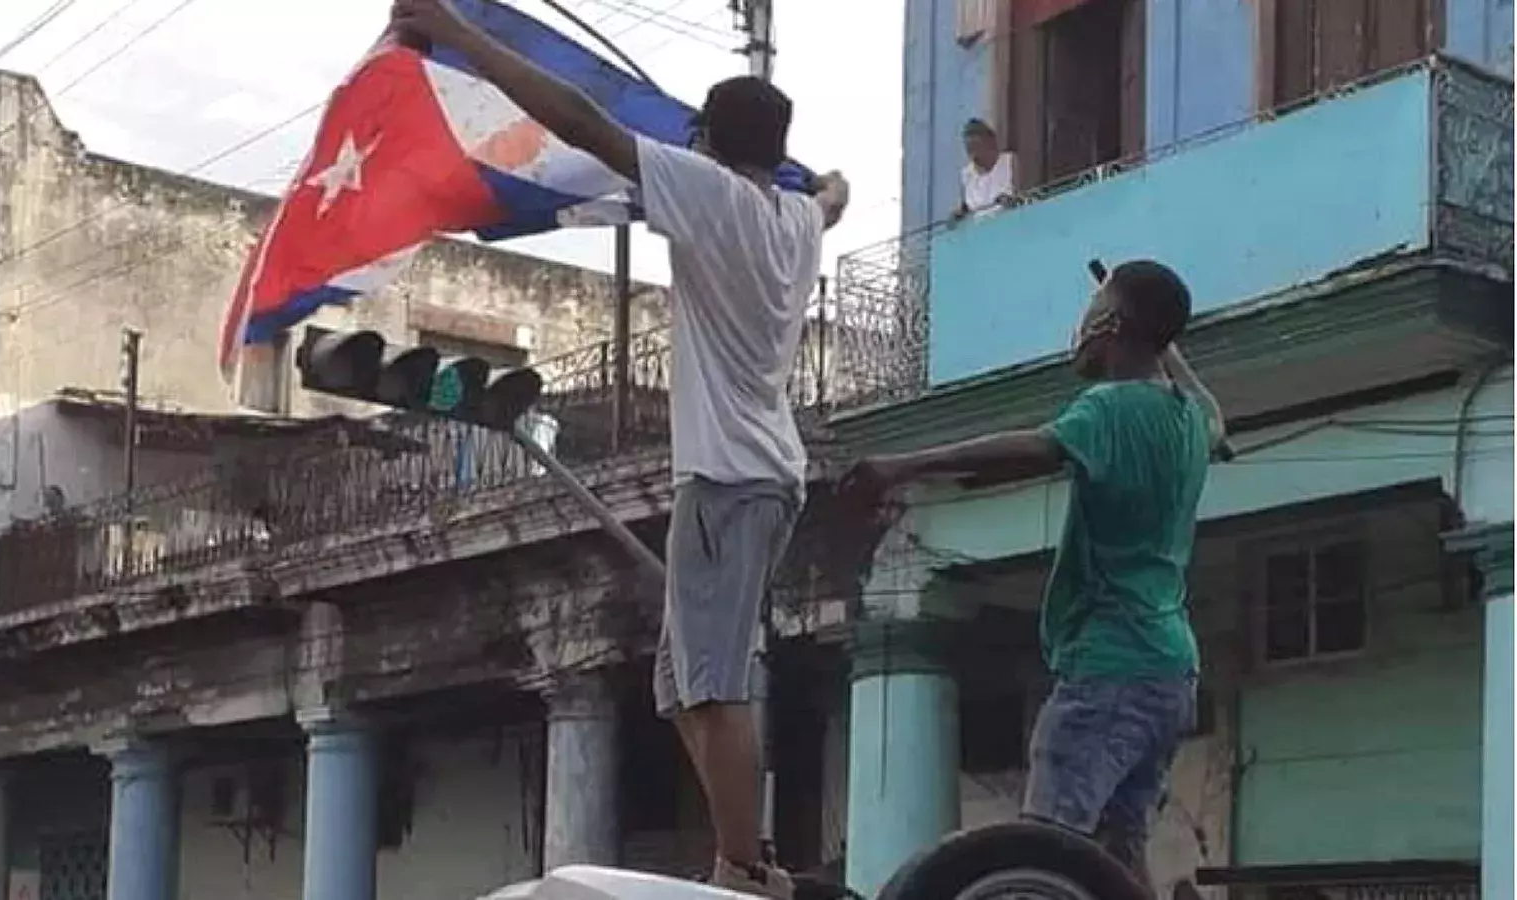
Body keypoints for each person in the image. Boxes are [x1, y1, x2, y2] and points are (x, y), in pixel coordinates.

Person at [389, 2, 850, 898]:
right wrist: (825, 177)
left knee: (715, 681)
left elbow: (584, 122)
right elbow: (836, 191)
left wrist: (463, 35)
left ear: (711, 143)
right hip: (753, 473)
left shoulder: (710, 191)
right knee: (678, 685)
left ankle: (746, 867)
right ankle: (736, 848)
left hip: (730, 473)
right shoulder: (796, 219)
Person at [840, 260, 1225, 894]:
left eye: (1096, 308)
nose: (1081, 323)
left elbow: (1026, 449)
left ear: (1113, 325)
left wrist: (901, 465)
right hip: (1169, 671)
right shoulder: (1186, 420)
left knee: (1041, 857)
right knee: (1116, 853)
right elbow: (1217, 421)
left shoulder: (1109, 410)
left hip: (1110, 668)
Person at [952, 118, 1017, 222]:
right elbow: (964, 208)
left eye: (977, 146)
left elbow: (1026, 198)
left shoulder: (1010, 163)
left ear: (991, 142)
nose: (974, 154)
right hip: (980, 232)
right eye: (970, 149)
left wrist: (1011, 201)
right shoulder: (967, 174)